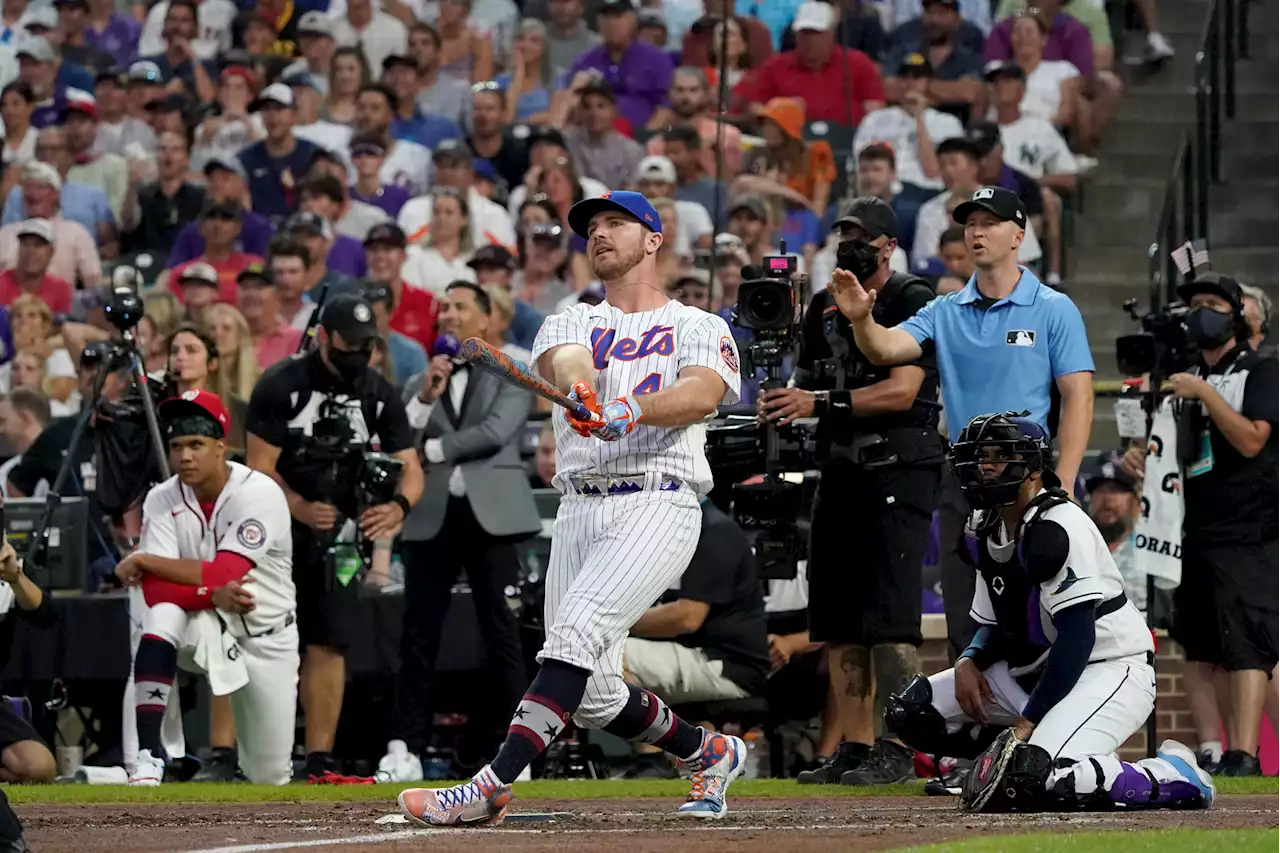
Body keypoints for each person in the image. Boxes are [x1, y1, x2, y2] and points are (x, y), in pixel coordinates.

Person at [398, 190, 745, 824]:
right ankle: (708, 750)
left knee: (576, 632)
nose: (601, 234)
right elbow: (567, 363)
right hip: (581, 507)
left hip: (657, 499)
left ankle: (490, 785)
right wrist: (586, 392)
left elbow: (699, 394)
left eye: (618, 223)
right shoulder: (571, 317)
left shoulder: (701, 325)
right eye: (592, 227)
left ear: (654, 239)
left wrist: (630, 408)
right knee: (595, 694)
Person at [886, 411, 1214, 813]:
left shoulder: (1059, 525)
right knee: (912, 711)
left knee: (1040, 779)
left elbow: (1078, 640)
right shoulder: (981, 524)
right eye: (979, 455)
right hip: (1035, 671)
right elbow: (994, 623)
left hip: (1108, 668)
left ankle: (1172, 775)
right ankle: (992, 762)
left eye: (999, 455)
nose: (984, 466)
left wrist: (1026, 726)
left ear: (1032, 469)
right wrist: (970, 660)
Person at [762, 197, 943, 786]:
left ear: (889, 244)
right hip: (839, 468)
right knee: (838, 619)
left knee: (890, 617)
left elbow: (902, 391)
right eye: (843, 233)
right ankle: (858, 746)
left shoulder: (913, 299)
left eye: (862, 235)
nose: (850, 244)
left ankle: (900, 744)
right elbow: (808, 381)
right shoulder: (822, 306)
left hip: (899, 468)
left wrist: (817, 403)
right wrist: (784, 402)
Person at [246, 294, 423, 784]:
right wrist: (298, 507)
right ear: (324, 337)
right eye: (350, 344)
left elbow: (411, 467)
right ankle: (251, 753)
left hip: (342, 539)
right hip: (277, 534)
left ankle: (320, 758)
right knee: (265, 639)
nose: (359, 354)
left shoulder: (379, 392)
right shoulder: (282, 384)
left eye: (368, 345)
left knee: (329, 643)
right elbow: (257, 468)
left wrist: (397, 508)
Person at [378, 281, 540, 783]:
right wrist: (426, 396)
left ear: (486, 320)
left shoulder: (512, 371)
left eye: (459, 306)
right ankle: (405, 746)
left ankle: (518, 751)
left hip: (493, 514)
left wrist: (430, 452)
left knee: (502, 632)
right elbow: (401, 434)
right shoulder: (420, 378)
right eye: (443, 307)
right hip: (431, 515)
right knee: (417, 634)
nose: (447, 314)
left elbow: (495, 432)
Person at [116, 390, 298, 787]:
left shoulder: (260, 493)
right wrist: (207, 596)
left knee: (268, 775)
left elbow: (225, 571)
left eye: (196, 445)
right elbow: (156, 591)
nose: (184, 456)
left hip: (266, 636)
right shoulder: (162, 498)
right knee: (158, 616)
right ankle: (147, 757)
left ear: (221, 447)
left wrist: (146, 559)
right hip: (205, 626)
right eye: (177, 445)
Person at [1137, 273, 1280, 777]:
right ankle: (1214, 750)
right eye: (1194, 304)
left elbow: (1251, 440)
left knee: (1248, 641)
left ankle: (1245, 754)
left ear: (1238, 313)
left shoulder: (1261, 371)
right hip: (1191, 526)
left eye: (1213, 303)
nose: (1202, 312)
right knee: (1201, 643)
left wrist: (1203, 393)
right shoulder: (1186, 372)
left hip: (1247, 525)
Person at [622, 497, 768, 778]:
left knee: (607, 654)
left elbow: (688, 616)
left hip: (728, 664)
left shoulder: (714, 530)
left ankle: (653, 759)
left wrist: (613, 624)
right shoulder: (678, 529)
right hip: (698, 653)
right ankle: (695, 752)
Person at [565, 0, 674, 130]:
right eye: (606, 18)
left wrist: (646, 137)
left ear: (633, 20)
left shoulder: (656, 58)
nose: (611, 23)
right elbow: (573, 107)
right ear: (598, 23)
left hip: (641, 134)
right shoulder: (585, 61)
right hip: (593, 137)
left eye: (618, 17)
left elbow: (666, 106)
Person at [236, 262, 303, 371]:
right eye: (244, 287)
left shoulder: (296, 340)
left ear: (277, 295)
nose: (250, 294)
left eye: (259, 287)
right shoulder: (225, 336)